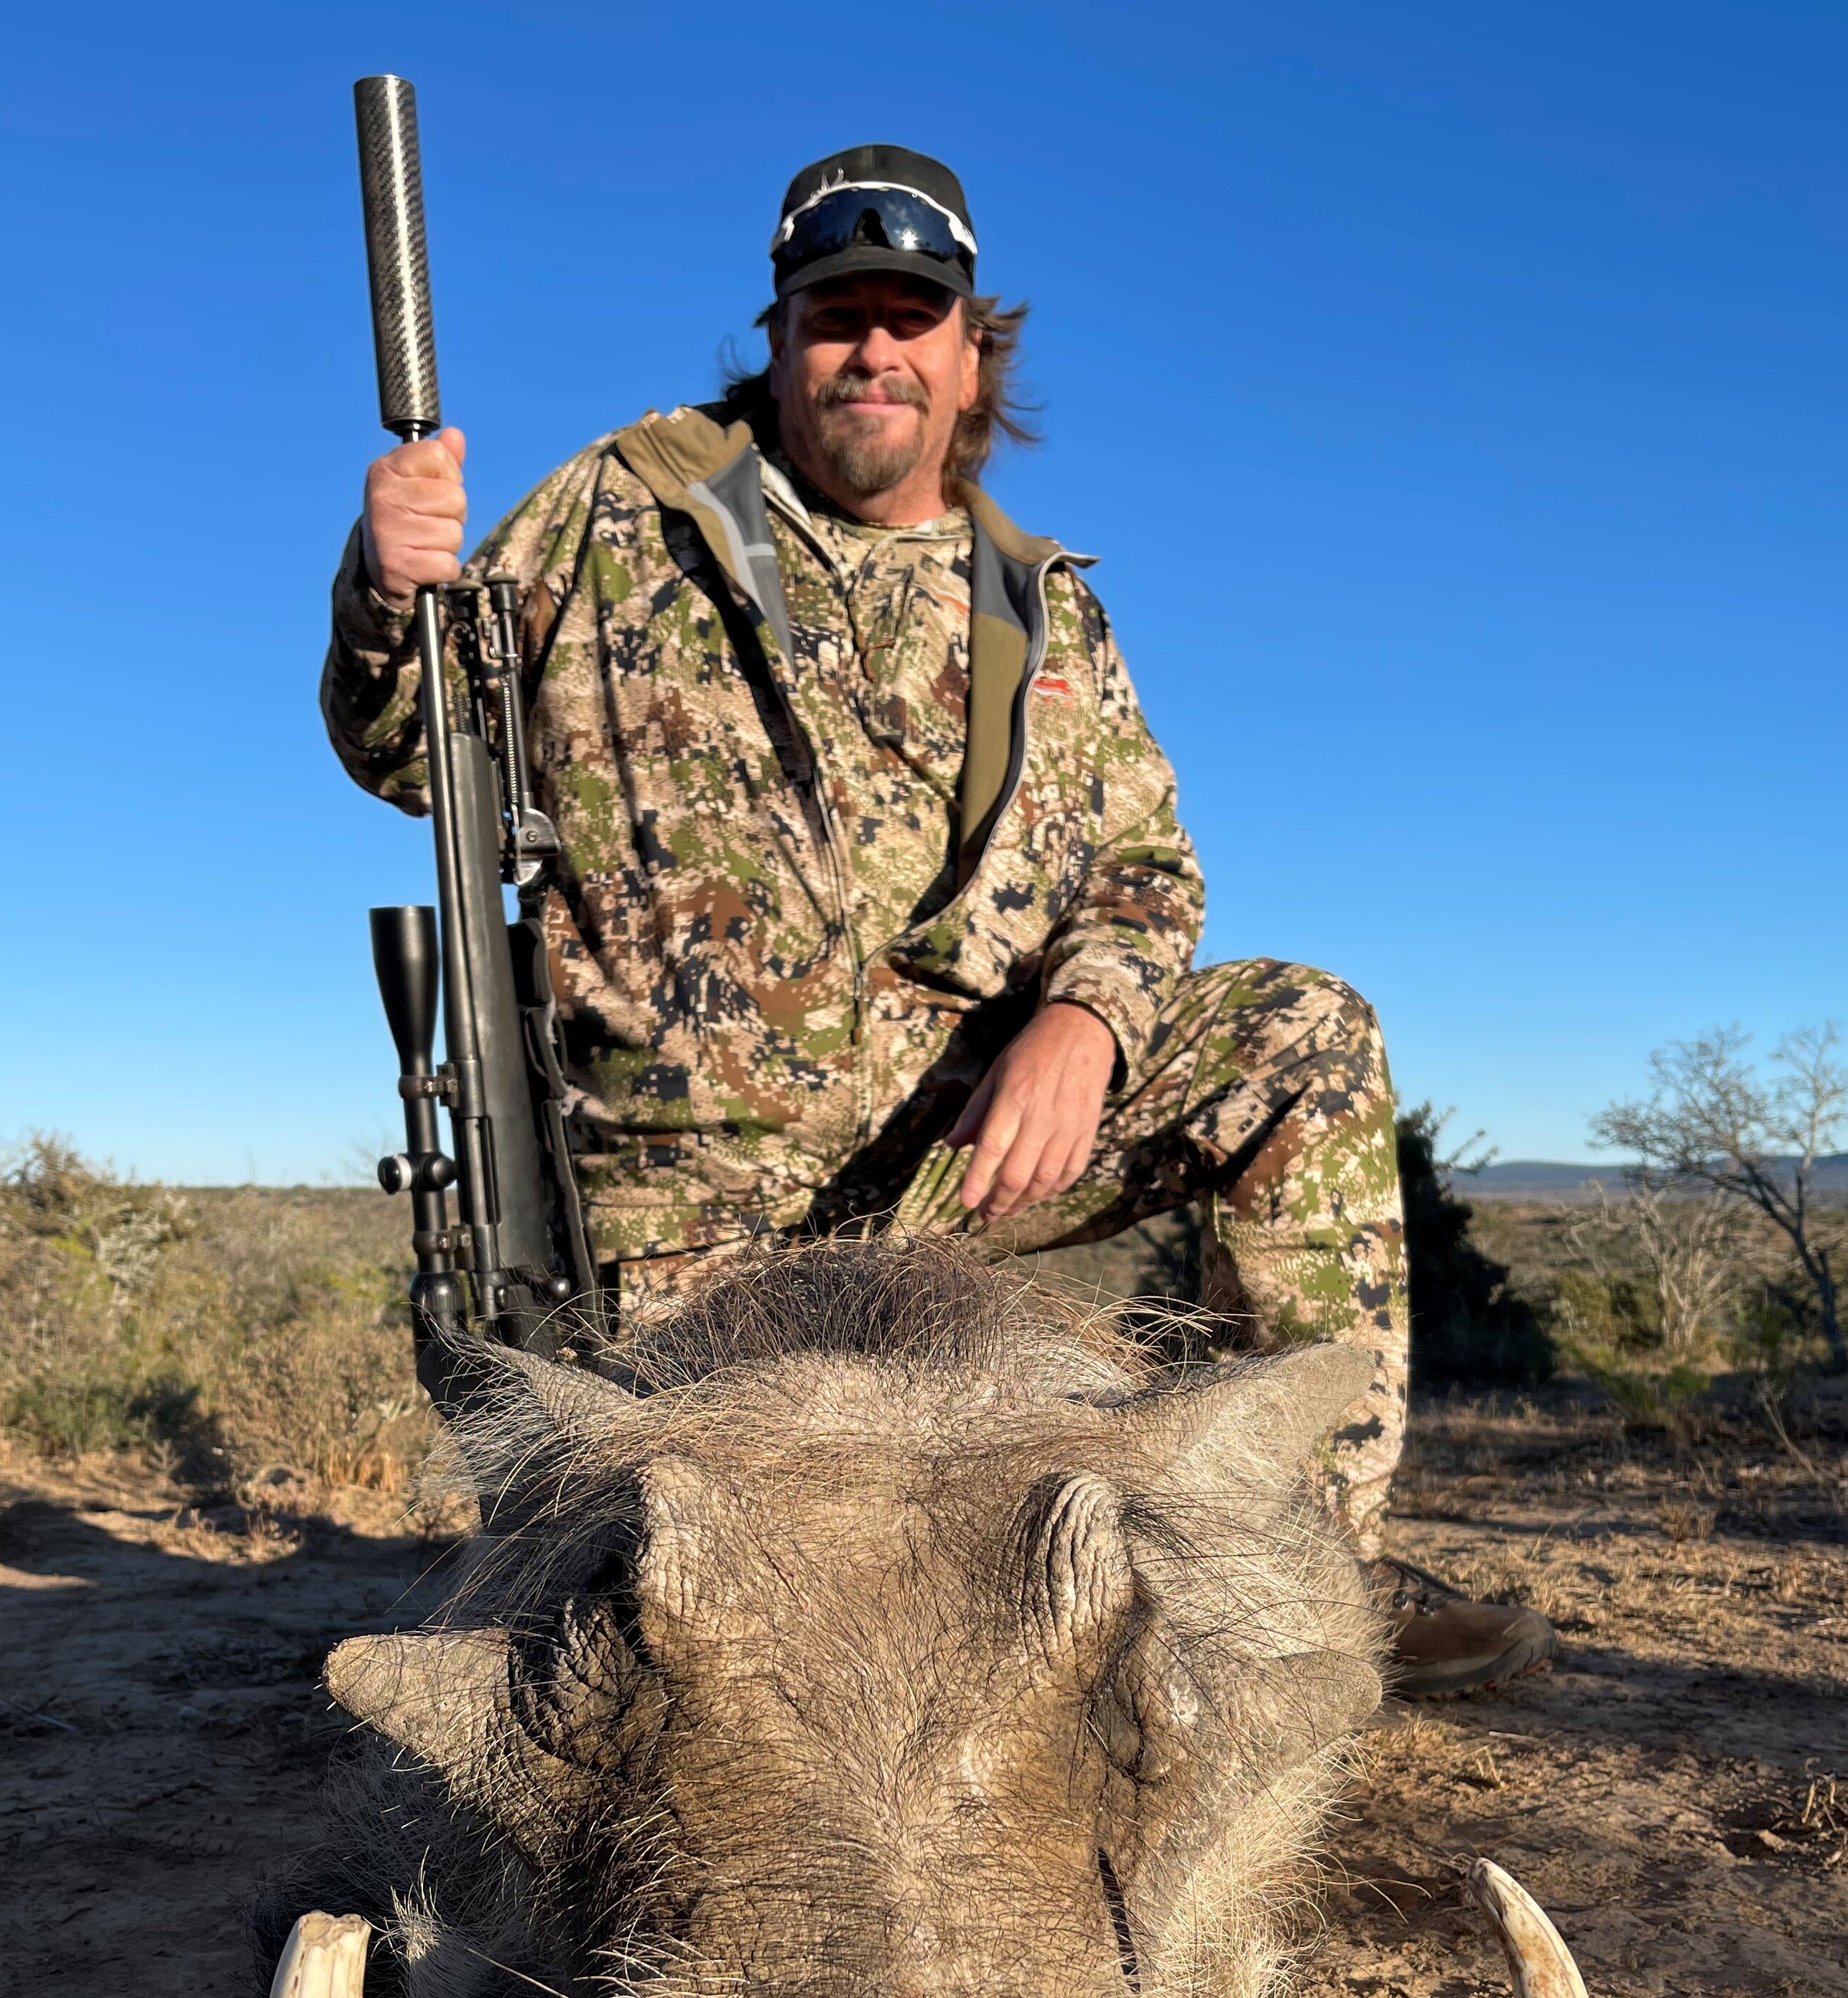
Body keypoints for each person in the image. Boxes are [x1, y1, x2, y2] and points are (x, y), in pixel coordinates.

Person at [322, 144, 1551, 1696]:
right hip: (686, 1222)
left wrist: (1087, 1017)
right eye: (839, 313)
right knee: (700, 1664)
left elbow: (1147, 867)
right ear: (779, 337)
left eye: (917, 316)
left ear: (976, 357)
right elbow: (401, 751)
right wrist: (387, 587)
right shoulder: (612, 512)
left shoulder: (1046, 602)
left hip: (959, 1161)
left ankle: (1293, 1599)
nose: (875, 349)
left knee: (1305, 1038)